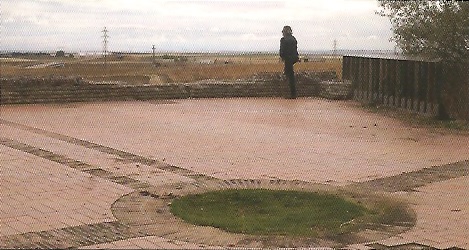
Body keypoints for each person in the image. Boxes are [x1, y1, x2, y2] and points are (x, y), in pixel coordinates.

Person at [279, 25, 299, 99]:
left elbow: (282, 51)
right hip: (294, 58)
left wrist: (283, 57)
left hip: (288, 59)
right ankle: (291, 93)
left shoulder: (283, 40)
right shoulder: (294, 39)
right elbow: (295, 50)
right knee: (289, 74)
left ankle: (291, 94)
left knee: (289, 76)